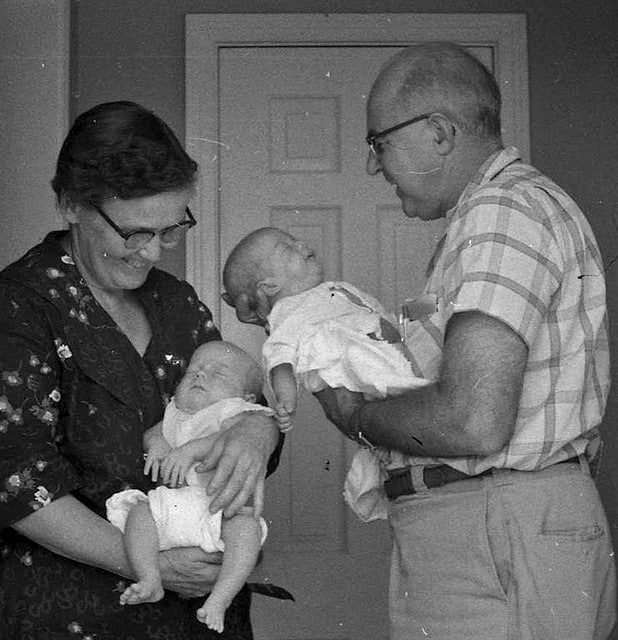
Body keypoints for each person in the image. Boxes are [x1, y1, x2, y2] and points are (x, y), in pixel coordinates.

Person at [229, 43, 617, 640]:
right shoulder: (492, 217)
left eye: (378, 143)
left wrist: (354, 413)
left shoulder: (501, 213)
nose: (371, 166)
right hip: (492, 523)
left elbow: (472, 421)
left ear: (439, 133)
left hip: (494, 523)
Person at [0, 100, 282, 640]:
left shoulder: (174, 301)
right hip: (76, 613)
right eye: (134, 232)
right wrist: (149, 563)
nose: (154, 253)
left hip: (200, 617)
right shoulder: (19, 308)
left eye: (171, 230)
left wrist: (257, 427)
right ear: (71, 205)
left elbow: (233, 391)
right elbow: (16, 481)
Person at [222, 226, 431, 521]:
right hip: (354, 365)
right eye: (287, 247)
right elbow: (279, 357)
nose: (302, 244)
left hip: (385, 349)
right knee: (404, 400)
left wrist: (425, 309)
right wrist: (286, 399)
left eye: (296, 240)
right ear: (268, 286)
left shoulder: (338, 288)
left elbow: (379, 314)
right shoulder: (287, 312)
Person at [106, 341, 271, 633]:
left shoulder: (235, 411)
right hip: (172, 506)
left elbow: (235, 438)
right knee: (139, 514)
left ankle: (220, 599)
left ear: (247, 396)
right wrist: (156, 444)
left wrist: (192, 449)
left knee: (247, 530)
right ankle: (149, 578)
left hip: (219, 510)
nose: (200, 376)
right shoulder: (175, 411)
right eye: (193, 371)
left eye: (217, 375)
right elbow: (155, 433)